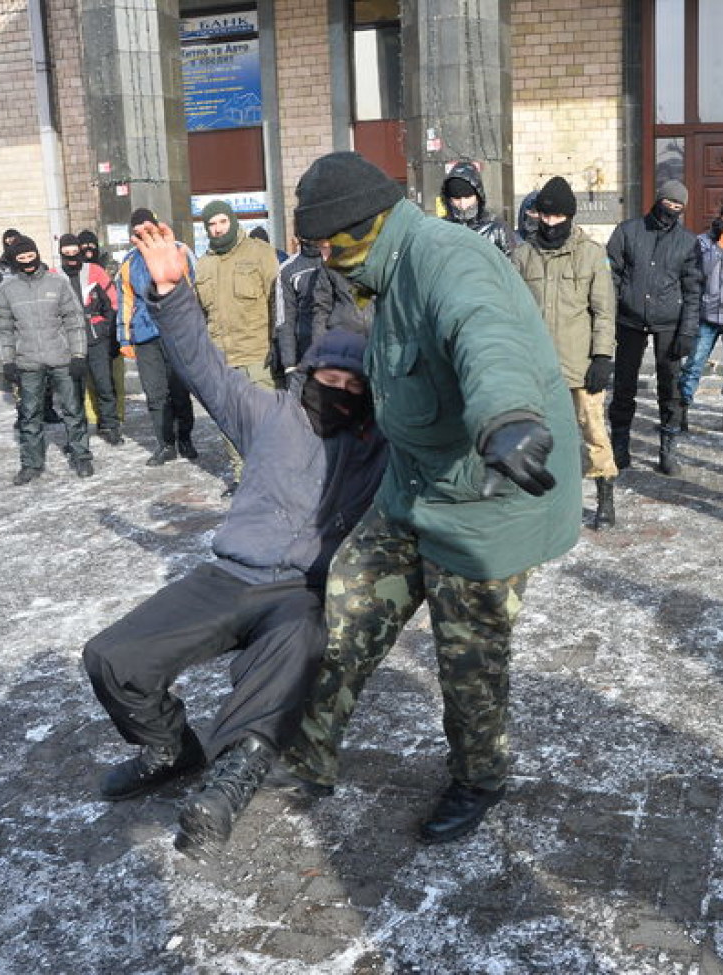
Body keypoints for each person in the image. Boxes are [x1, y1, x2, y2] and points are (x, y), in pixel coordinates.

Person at [280, 151, 581, 845]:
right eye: (314, 248)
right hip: (414, 486)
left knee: (467, 655)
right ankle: (311, 753)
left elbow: (487, 333)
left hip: (488, 499)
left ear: (367, 226)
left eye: (330, 246)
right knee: (349, 598)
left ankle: (480, 775)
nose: (325, 261)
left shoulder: (447, 259)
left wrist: (506, 415)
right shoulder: (387, 272)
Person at [85, 222, 388, 860]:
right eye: (329, 380)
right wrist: (170, 292)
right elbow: (205, 368)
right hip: (225, 579)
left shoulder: (378, 450)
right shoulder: (269, 415)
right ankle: (169, 749)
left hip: (299, 593)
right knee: (112, 657)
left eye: (354, 389)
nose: (339, 393)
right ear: (307, 375)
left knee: (297, 645)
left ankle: (227, 784)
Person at [512, 175, 619, 529]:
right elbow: (512, 310)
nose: (550, 223)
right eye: (544, 216)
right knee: (539, 436)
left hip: (580, 365)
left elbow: (604, 311)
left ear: (570, 217)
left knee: (593, 434)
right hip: (536, 367)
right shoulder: (523, 255)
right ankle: (547, 500)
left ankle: (605, 499)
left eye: (557, 217)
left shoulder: (591, 255)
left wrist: (602, 357)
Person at [606, 180, 702, 475]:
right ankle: (620, 444)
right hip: (629, 320)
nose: (671, 210)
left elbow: (693, 290)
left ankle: (668, 447)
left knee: (669, 388)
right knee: (624, 385)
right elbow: (611, 276)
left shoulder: (687, 242)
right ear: (657, 200)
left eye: (678, 207)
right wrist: (613, 311)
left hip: (668, 323)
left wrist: (688, 331)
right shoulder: (627, 231)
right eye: (668, 203)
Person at [0, 236, 94, 483]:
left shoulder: (57, 283)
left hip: (61, 358)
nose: (28, 262)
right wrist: (7, 360)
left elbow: (74, 320)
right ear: (14, 260)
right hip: (27, 361)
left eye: (31, 256)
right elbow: (4, 328)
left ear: (37, 255)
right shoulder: (6, 290)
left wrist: (78, 354)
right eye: (22, 258)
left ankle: (81, 457)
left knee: (73, 410)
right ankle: (31, 463)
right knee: (29, 415)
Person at [197, 200, 280, 488]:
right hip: (222, 358)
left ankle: (271, 481)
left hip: (258, 355)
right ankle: (242, 480)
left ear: (232, 220)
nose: (218, 229)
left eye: (222, 221)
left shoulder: (260, 253)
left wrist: (277, 344)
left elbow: (276, 302)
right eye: (211, 224)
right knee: (230, 424)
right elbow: (199, 313)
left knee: (264, 424)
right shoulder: (204, 263)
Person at [116, 208, 197, 465]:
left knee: (179, 390)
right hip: (144, 334)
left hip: (175, 330)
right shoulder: (129, 262)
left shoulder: (178, 250)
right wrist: (125, 338)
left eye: (148, 228)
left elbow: (191, 289)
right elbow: (125, 300)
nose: (144, 234)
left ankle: (185, 437)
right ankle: (165, 444)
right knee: (155, 394)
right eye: (138, 231)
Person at [678, 199, 723, 434]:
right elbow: (701, 272)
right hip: (707, 314)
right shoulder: (703, 242)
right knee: (694, 365)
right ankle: (681, 411)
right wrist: (720, 246)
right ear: (720, 218)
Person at [274, 237, 367, 386]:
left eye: (326, 247)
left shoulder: (346, 261)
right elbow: (285, 319)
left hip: (351, 346)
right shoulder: (288, 270)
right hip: (307, 352)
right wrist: (289, 363)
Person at [57, 234, 122, 445]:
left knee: (104, 384)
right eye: (66, 254)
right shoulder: (54, 276)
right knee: (72, 391)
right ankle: (77, 434)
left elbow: (112, 301)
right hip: (68, 343)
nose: (71, 257)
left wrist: (104, 328)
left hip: (96, 339)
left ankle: (109, 425)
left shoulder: (95, 272)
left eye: (74, 252)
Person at [440, 159, 515, 257]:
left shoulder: (497, 228)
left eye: (468, 197)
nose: (463, 204)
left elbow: (511, 264)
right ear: (449, 199)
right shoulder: (441, 229)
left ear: (478, 196)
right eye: (457, 198)